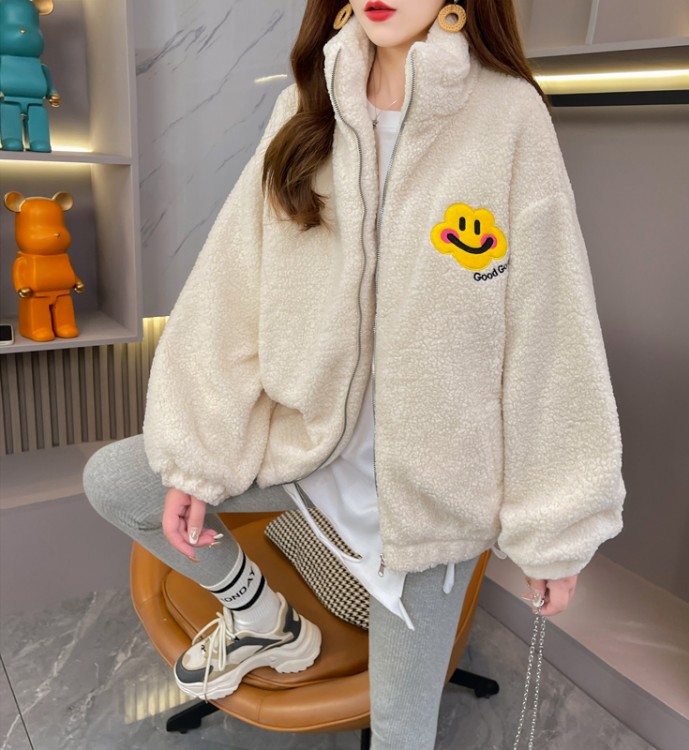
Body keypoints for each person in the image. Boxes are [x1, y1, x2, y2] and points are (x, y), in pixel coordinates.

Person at [83, 1, 626, 747]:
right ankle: (262, 618)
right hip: (311, 454)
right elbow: (231, 290)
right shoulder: (305, 107)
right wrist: (200, 451)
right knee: (118, 481)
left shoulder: (509, 118)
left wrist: (556, 525)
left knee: (403, 734)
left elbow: (552, 332)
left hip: (431, 504)